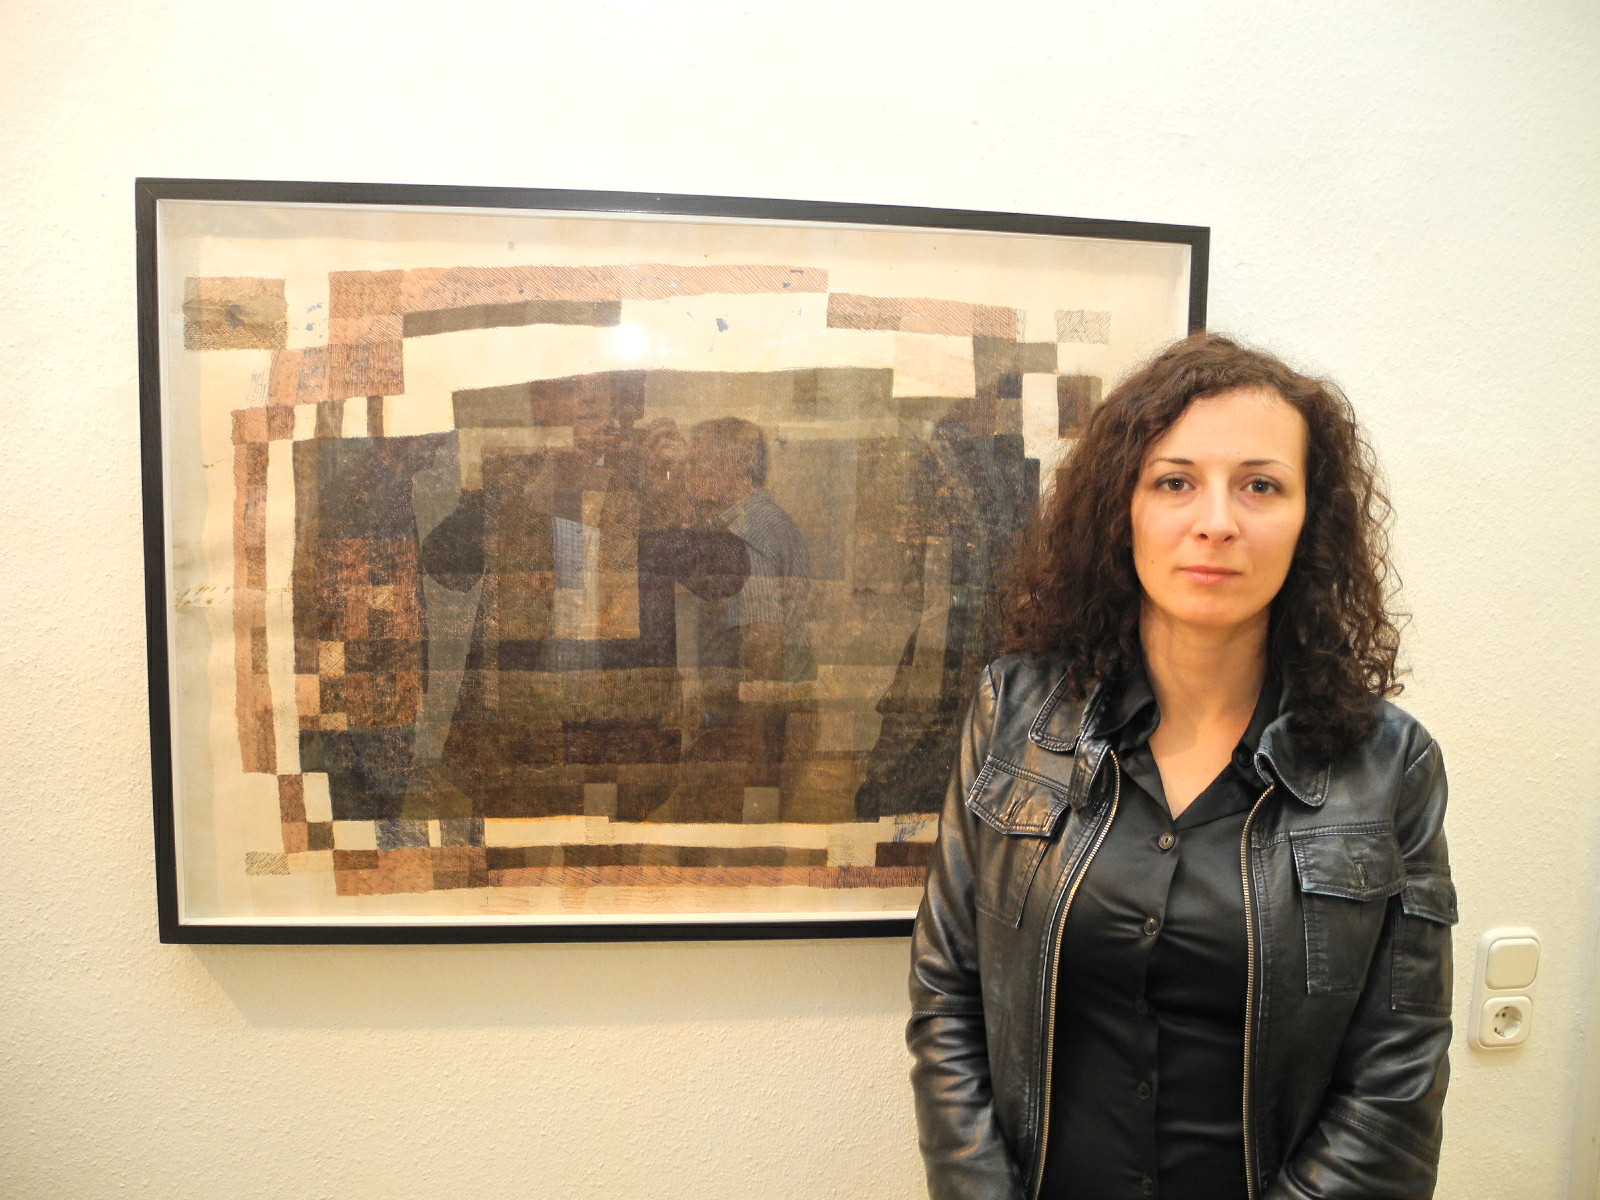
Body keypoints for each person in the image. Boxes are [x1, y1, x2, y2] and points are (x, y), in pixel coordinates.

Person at [908, 333, 1456, 1200]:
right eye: (1175, 482)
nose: (1217, 521)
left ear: (1311, 519)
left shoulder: (1391, 766)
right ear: (1120, 508)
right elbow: (948, 996)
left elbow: (1396, 1080)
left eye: (1261, 485)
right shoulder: (1013, 713)